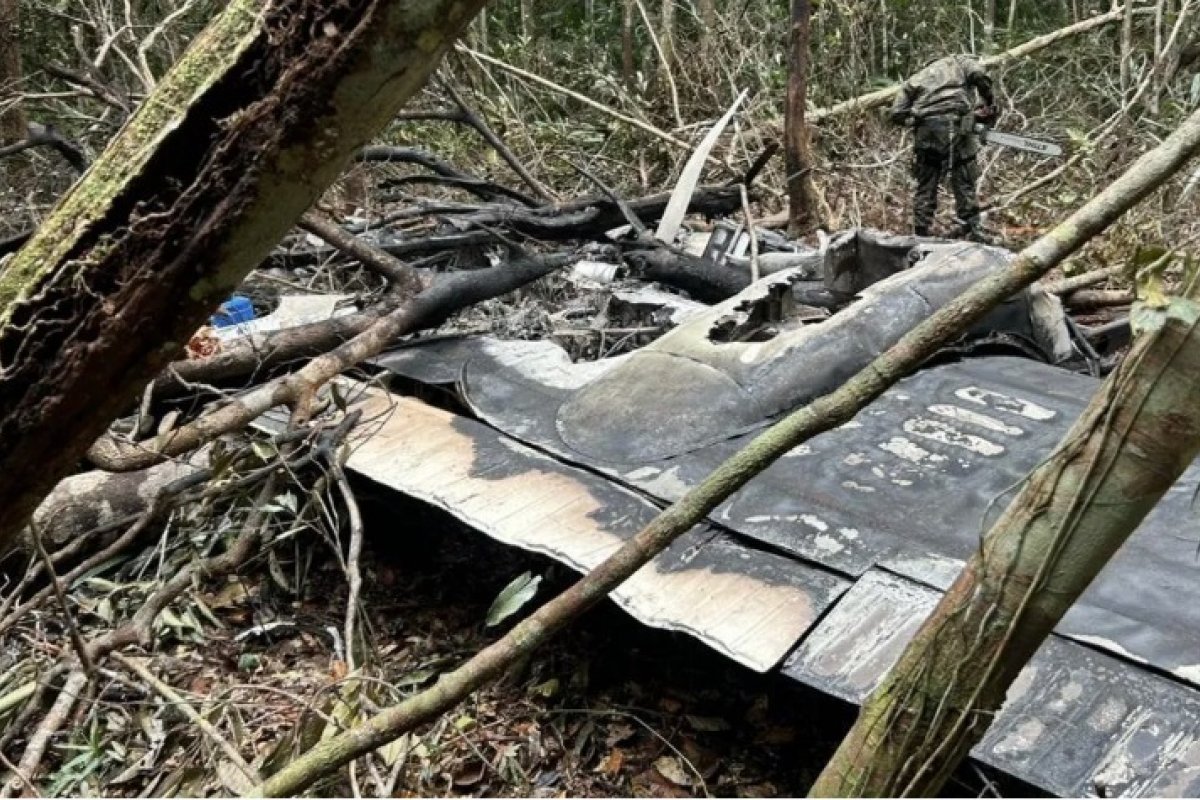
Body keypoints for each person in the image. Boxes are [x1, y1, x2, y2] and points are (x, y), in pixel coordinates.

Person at [889, 55, 997, 241]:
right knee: (963, 179)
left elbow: (897, 113)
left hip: (928, 133)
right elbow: (979, 75)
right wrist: (989, 101)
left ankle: (920, 231)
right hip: (959, 126)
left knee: (927, 182)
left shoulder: (916, 78)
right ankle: (972, 227)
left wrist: (917, 120)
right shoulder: (960, 61)